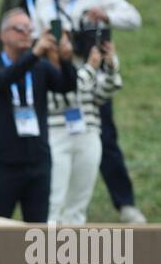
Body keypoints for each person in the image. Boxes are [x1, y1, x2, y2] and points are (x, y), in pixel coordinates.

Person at [35, 0, 145, 222]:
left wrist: (106, 17)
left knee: (103, 140)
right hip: (59, 75)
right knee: (58, 163)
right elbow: (39, 39)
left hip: (93, 76)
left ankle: (125, 204)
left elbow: (134, 18)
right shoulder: (44, 0)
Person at [0, 9, 76, 222]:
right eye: (19, 29)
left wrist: (66, 60)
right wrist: (34, 54)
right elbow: (1, 80)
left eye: (30, 29)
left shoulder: (39, 67)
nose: (26, 34)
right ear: (3, 35)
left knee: (37, 232)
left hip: (38, 164)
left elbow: (66, 86)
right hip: (3, 165)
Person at [47, 34, 122, 223]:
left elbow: (102, 95)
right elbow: (67, 92)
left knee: (79, 203)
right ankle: (46, 247)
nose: (66, 46)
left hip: (88, 134)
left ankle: (71, 249)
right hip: (57, 135)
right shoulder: (44, 70)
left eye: (67, 41)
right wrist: (91, 68)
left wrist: (110, 66)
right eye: (60, 42)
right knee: (54, 200)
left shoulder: (82, 70)